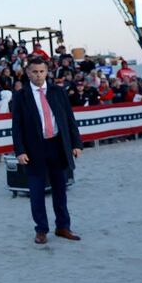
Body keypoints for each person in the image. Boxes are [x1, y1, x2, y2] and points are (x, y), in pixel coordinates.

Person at [11, 56, 84, 245]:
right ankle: (41, 230)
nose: (38, 75)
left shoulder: (58, 92)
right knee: (36, 193)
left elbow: (69, 119)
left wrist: (76, 144)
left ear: (47, 72)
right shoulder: (21, 96)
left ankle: (63, 227)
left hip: (57, 145)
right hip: (34, 149)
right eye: (34, 72)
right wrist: (20, 150)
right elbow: (16, 126)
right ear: (28, 73)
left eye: (42, 71)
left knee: (60, 189)